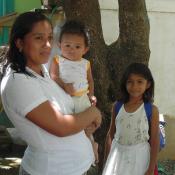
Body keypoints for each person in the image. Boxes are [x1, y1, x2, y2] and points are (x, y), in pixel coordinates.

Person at [0, 12, 102, 175]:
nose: (47, 45)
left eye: (49, 37)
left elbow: (68, 112)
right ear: (20, 42)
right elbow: (61, 126)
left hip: (76, 167)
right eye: (39, 38)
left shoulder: (41, 71)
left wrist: (88, 140)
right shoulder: (18, 82)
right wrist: (93, 113)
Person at [49, 20, 99, 163]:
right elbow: (53, 76)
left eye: (77, 46)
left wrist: (91, 95)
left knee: (87, 126)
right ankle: (71, 154)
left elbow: (90, 81)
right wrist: (64, 85)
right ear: (60, 45)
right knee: (69, 127)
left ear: (85, 49)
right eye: (67, 45)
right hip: (65, 98)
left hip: (82, 98)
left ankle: (92, 146)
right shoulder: (58, 60)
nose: (72, 49)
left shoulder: (85, 63)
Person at [103, 63, 159, 175]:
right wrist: (106, 162)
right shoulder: (117, 106)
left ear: (148, 84)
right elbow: (111, 134)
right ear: (125, 83)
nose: (134, 86)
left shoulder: (151, 109)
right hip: (117, 157)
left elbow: (154, 140)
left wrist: (151, 169)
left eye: (140, 82)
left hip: (139, 158)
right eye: (130, 82)